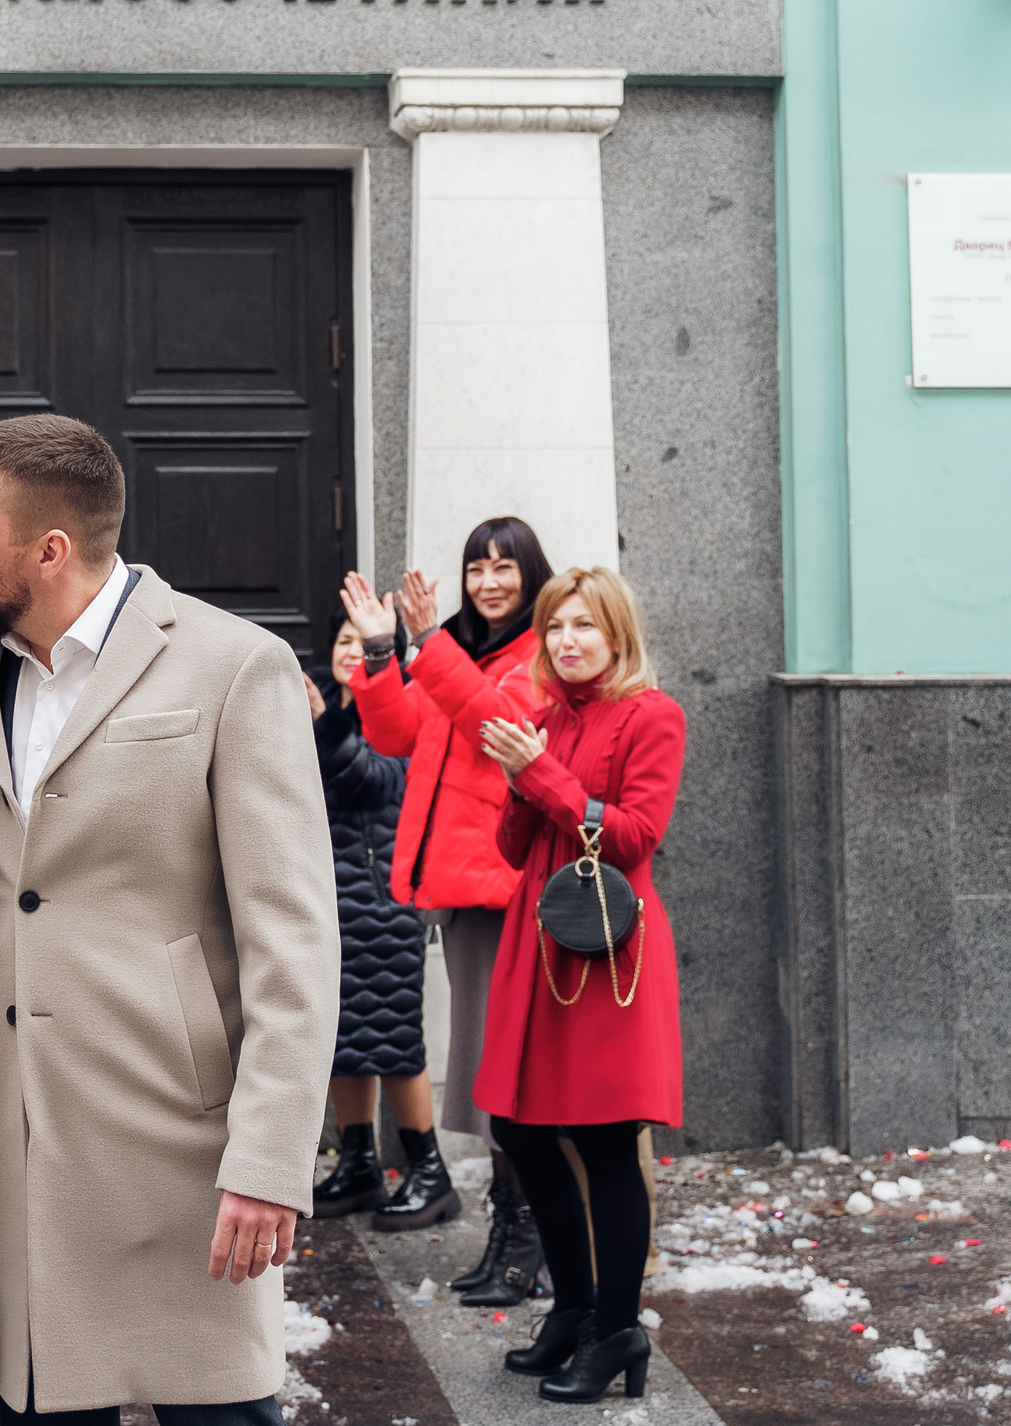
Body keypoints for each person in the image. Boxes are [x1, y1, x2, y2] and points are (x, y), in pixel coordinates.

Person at [0, 413, 340, 1425]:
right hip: (8, 1143)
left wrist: (270, 1160)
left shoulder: (233, 664)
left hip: (180, 1146)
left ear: (48, 550)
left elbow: (292, 938)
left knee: (218, 1406)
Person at [473, 566, 685, 1405]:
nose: (566, 641)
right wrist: (522, 775)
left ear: (617, 634)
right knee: (520, 1127)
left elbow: (635, 836)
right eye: (555, 626)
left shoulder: (653, 715)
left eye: (583, 625)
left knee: (604, 1139)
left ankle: (616, 1329)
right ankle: (572, 1309)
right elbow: (512, 848)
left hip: (607, 952)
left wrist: (546, 777)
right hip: (541, 940)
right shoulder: (545, 718)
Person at [338, 519, 554, 1304]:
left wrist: (428, 644)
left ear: (532, 574)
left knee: (512, 1081)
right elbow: (398, 731)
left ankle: (529, 1243)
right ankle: (512, 1234)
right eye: (476, 568)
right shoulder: (463, 650)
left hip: (507, 891)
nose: (488, 582)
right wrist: (381, 652)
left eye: (504, 567)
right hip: (464, 891)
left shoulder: (537, 655)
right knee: (492, 1078)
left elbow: (498, 726)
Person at [298, 607, 434, 1230]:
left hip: (384, 902)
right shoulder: (322, 704)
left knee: (396, 1041)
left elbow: (375, 783)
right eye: (343, 638)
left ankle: (429, 1171)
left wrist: (324, 726)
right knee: (342, 1039)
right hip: (326, 900)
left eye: (364, 641)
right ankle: (359, 1164)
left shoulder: (398, 710)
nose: (351, 649)